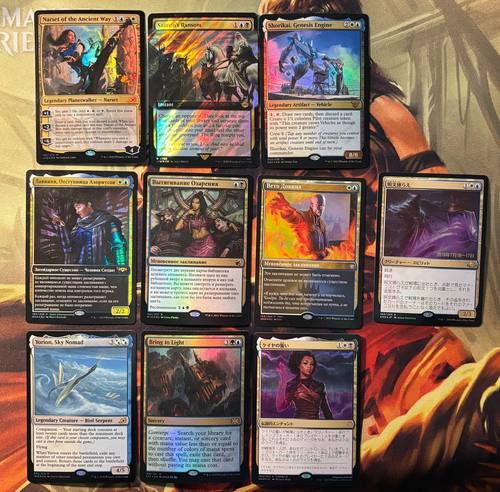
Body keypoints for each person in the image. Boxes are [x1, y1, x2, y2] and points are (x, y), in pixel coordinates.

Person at [51, 192, 127, 266]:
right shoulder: (78, 226)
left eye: (78, 207)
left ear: (89, 204)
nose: (77, 212)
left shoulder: (107, 221)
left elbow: (118, 246)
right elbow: (70, 248)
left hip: (101, 269)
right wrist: (62, 227)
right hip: (80, 270)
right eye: (75, 209)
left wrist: (121, 267)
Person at [276, 351, 333, 419]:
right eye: (305, 363)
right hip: (298, 422)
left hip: (315, 423)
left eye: (312, 364)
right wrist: (282, 382)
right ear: (298, 365)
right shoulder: (292, 385)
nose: (309, 366)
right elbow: (280, 407)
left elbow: (326, 411)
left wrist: (333, 424)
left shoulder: (320, 386)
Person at [269, 192, 328, 258]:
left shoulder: (322, 224)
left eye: (323, 206)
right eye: (318, 205)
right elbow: (292, 216)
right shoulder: (302, 217)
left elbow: (326, 247)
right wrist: (282, 207)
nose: (321, 208)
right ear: (311, 205)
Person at [175, 192, 217, 257]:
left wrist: (230, 223)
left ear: (201, 204)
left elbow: (218, 220)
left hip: (207, 243)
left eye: (197, 203)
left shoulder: (206, 213)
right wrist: (186, 214)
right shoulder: (189, 216)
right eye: (193, 202)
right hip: (194, 244)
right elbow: (177, 228)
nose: (194, 204)